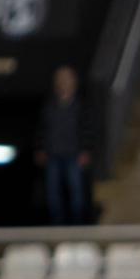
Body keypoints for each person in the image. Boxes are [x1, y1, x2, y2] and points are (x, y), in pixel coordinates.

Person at [39, 65, 95, 226]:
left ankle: (77, 225)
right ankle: (57, 225)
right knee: (53, 194)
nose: (64, 83)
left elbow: (86, 129)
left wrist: (85, 150)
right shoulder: (50, 106)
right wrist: (42, 148)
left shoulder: (80, 106)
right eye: (60, 80)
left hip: (73, 154)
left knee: (76, 192)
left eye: (67, 80)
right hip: (53, 154)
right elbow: (43, 129)